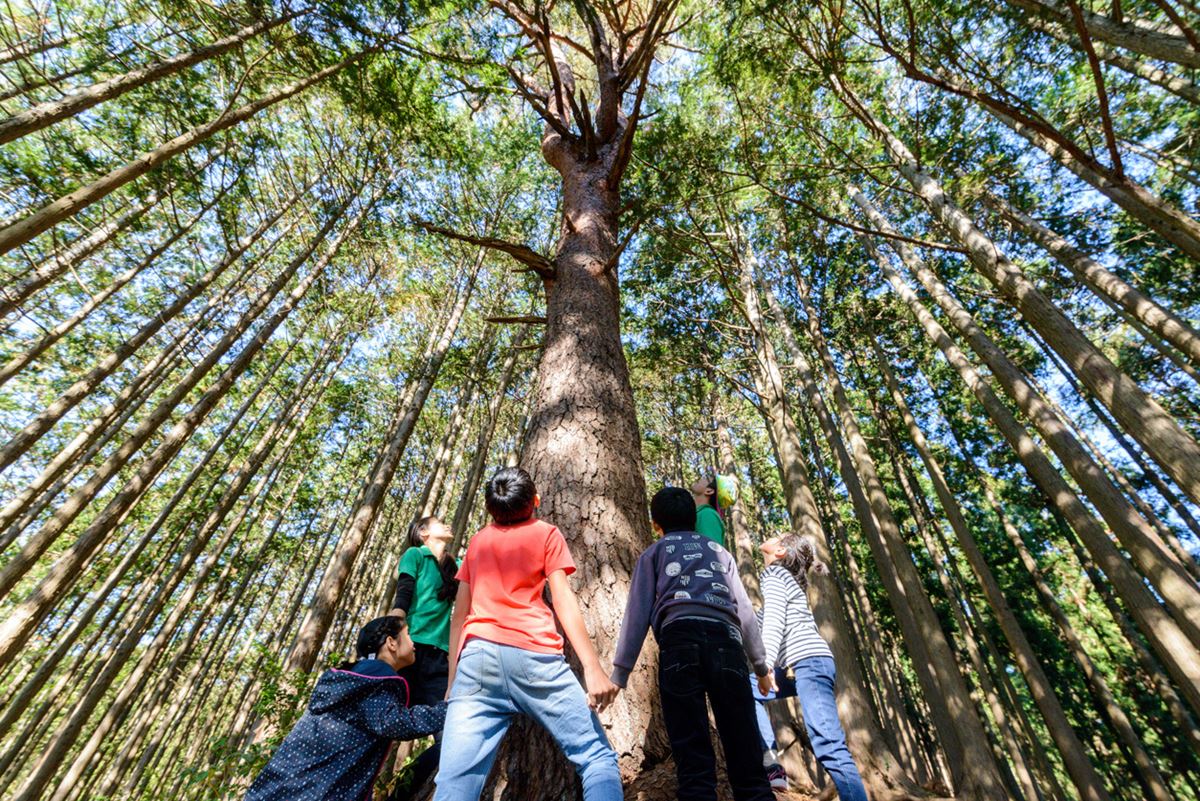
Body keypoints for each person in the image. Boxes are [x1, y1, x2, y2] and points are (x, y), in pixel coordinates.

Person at [432, 466, 622, 801]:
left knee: (453, 785)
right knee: (597, 757)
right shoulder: (547, 534)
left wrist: (452, 682)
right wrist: (592, 667)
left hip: (476, 662)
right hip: (535, 658)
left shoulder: (478, 540)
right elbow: (562, 600)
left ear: (490, 509)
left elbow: (459, 616)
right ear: (535, 500)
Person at [611, 486, 774, 801]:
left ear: (655, 524)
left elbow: (637, 613)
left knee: (691, 751)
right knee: (745, 745)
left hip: (679, 641)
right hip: (727, 643)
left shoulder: (654, 553)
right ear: (694, 518)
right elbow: (744, 612)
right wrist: (760, 666)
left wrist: (620, 673)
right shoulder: (719, 552)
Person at [245, 616, 447, 801]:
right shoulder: (375, 678)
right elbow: (394, 722)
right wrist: (450, 710)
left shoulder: (356, 677)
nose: (413, 643)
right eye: (408, 634)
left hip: (280, 790)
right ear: (391, 643)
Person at [758, 534, 868, 801]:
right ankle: (772, 767)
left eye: (777, 535)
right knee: (746, 688)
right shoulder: (783, 579)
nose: (770, 535)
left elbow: (773, 621)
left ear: (780, 551)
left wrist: (766, 665)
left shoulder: (774, 574)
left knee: (828, 743)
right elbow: (761, 620)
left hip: (808, 662)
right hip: (803, 665)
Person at [387, 516, 458, 798]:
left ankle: (400, 793)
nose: (448, 524)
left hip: (441, 659)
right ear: (423, 532)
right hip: (409, 652)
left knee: (450, 738)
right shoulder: (415, 554)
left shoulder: (454, 566)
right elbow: (404, 592)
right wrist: (393, 630)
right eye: (440, 522)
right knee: (382, 729)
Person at [690, 473, 735, 547]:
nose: (701, 478)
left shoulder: (707, 515)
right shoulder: (701, 513)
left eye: (706, 478)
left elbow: (712, 550)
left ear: (709, 491)